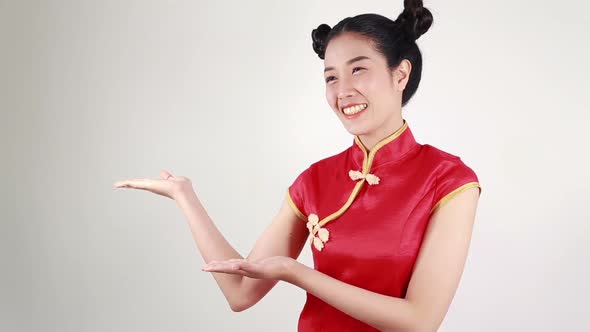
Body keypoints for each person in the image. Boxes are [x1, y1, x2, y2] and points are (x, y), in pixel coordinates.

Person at [113, 0, 481, 330]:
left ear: (400, 74)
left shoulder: (449, 180)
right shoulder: (315, 180)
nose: (342, 91)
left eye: (358, 70)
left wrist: (296, 272)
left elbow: (419, 321)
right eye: (331, 77)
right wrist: (185, 196)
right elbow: (240, 293)